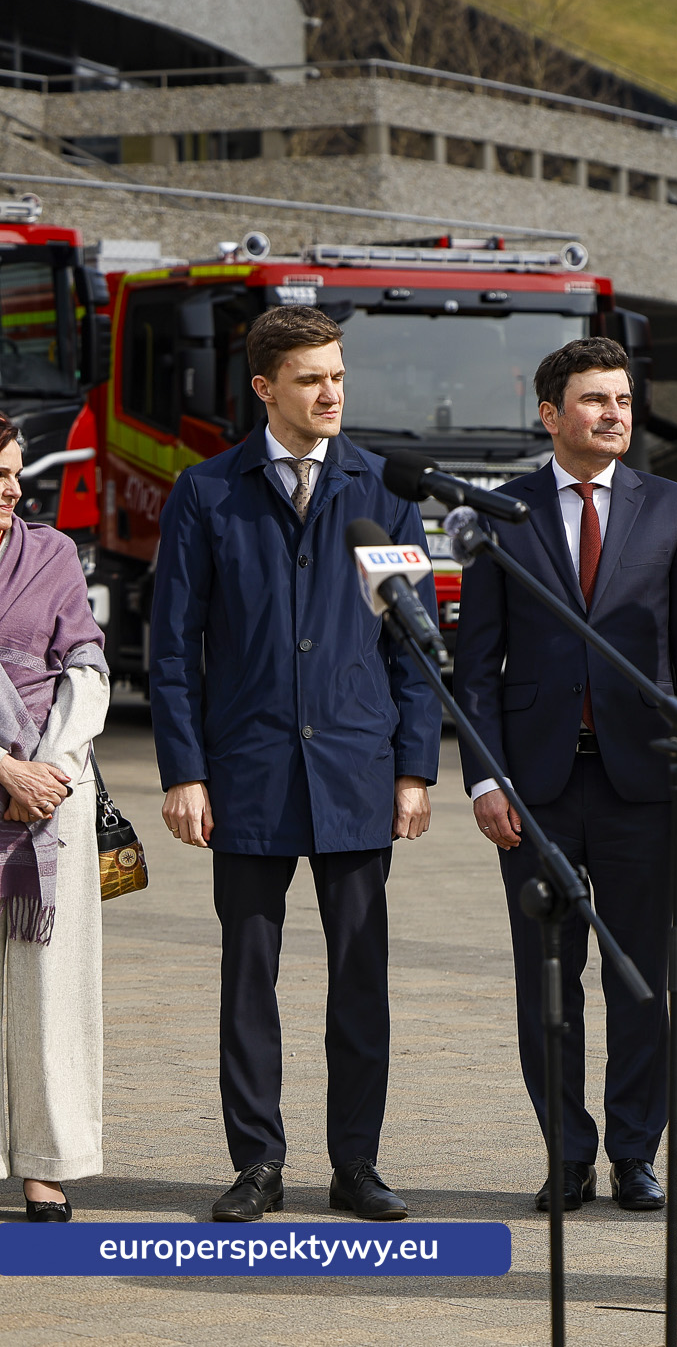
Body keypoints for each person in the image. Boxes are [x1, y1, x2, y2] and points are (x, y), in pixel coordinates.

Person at [151, 306, 440, 1223]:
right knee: (249, 978)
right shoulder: (208, 492)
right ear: (265, 387)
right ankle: (257, 1163)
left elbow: (412, 644)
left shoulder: (381, 489)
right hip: (248, 772)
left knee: (360, 976)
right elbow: (172, 648)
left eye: (338, 376)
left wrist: (414, 768)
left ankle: (357, 1162)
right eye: (311, 378)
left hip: (357, 770)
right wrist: (184, 770)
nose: (330, 393)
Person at [453, 336, 677, 1214]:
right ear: (551, 414)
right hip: (532, 789)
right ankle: (567, 1154)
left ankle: (635, 1152)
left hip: (642, 781)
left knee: (640, 976)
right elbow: (475, 666)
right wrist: (484, 779)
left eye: (623, 400)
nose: (615, 414)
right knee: (548, 977)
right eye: (595, 399)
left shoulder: (671, 506)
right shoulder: (501, 511)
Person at [0, 413, 110, 1223]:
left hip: (51, 798)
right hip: (14, 776)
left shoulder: (53, 553)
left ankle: (47, 1163)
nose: (11, 489)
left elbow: (87, 664)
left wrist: (51, 770)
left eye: (13, 473)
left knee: (52, 993)